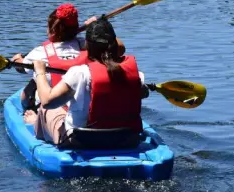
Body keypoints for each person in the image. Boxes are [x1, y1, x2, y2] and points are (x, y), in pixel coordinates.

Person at [29, 18, 149, 147]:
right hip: (126, 139)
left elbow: (47, 101)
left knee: (45, 108)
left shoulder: (79, 74)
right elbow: (144, 93)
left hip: (82, 141)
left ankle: (35, 121)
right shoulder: (136, 75)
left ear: (87, 46)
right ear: (114, 44)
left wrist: (40, 71)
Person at [12, 3, 96, 116]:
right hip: (84, 104)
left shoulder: (40, 52)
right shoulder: (86, 45)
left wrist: (17, 60)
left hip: (53, 107)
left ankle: (32, 115)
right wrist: (93, 27)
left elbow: (20, 68)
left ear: (52, 30)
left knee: (32, 84)